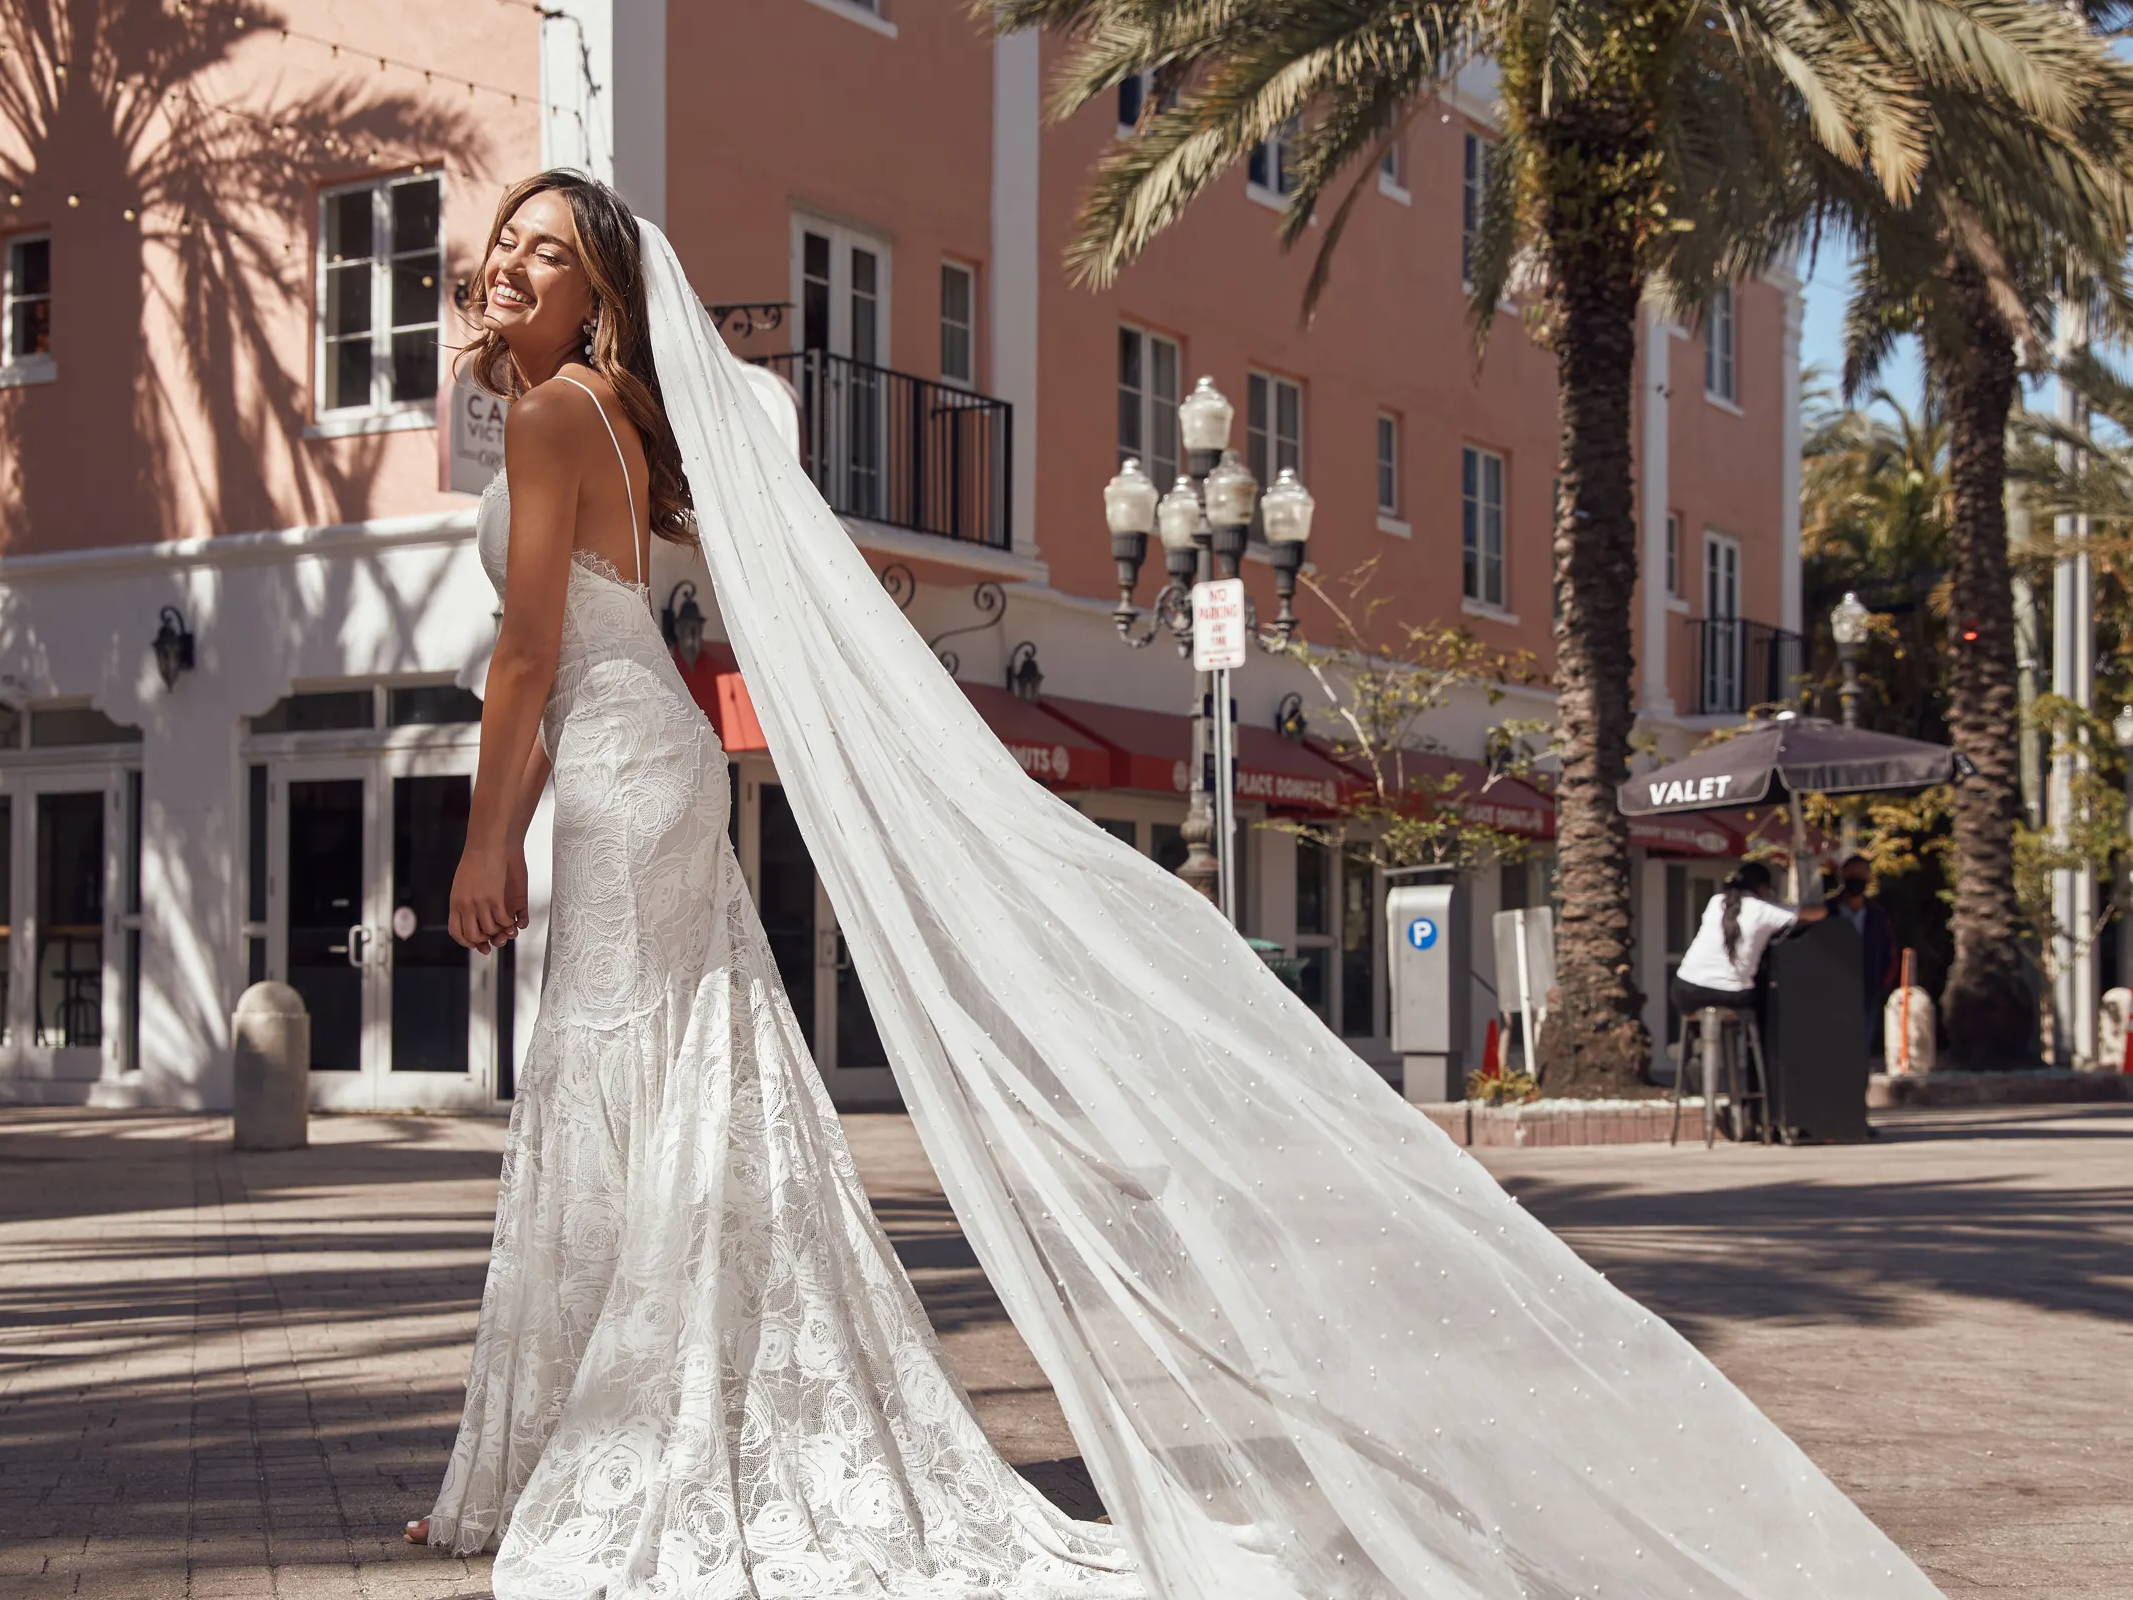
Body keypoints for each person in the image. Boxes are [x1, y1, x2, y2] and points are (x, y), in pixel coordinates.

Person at [407, 170, 1947, 1599]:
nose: (510, 267)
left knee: (622, 1075)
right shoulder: (609, 416)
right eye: (505, 245)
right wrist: (517, 805)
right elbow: (580, 653)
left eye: (550, 252)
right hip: (644, 759)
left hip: (619, 768)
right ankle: (582, 1440)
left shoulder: (553, 413)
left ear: (601, 292)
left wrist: (487, 838)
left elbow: (535, 654)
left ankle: (605, 1450)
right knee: (669, 1081)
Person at [1671, 859, 1829, 1023]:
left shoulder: (1716, 901)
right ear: (1763, 887)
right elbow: (1818, 913)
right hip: (1733, 995)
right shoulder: (1765, 910)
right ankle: (1751, 1046)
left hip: (1687, 990)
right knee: (1765, 998)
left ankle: (1698, 1040)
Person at [1835, 854, 1901, 1052]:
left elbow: (1888, 951)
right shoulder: (1828, 911)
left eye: (1861, 874)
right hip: (1834, 987)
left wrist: (1882, 982)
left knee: (1862, 1040)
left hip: (1867, 985)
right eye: (1852, 874)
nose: (1856, 879)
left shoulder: (1877, 915)